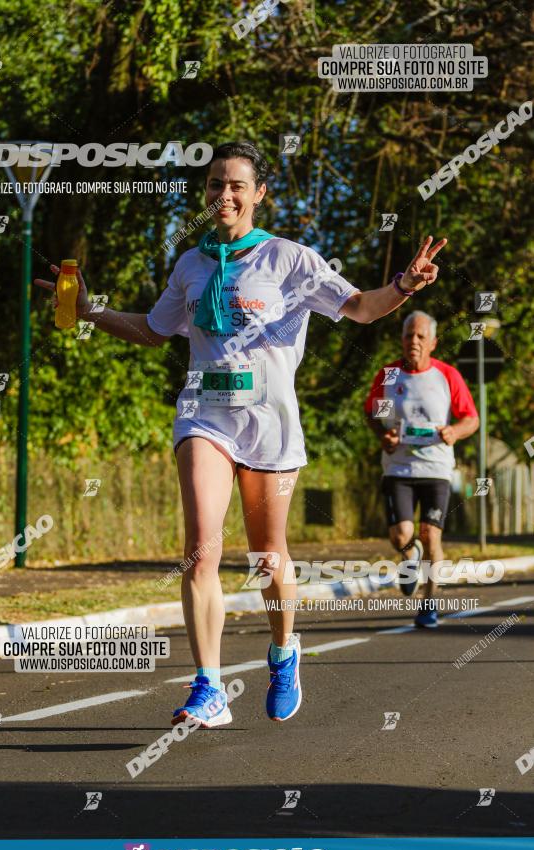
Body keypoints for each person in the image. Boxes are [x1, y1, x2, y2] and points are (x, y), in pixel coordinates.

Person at [36, 141, 446, 726]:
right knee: (201, 548)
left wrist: (403, 285)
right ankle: (208, 685)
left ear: (258, 194)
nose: (222, 195)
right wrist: (89, 312)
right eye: (212, 186)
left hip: (270, 426)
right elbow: (154, 331)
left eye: (235, 186)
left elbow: (359, 307)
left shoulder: (290, 259)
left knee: (266, 557)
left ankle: (283, 652)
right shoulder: (190, 265)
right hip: (204, 416)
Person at [364, 311, 479, 628]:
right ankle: (409, 557)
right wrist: (383, 434)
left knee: (431, 535)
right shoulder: (388, 375)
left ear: (433, 342)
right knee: (402, 535)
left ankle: (429, 603)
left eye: (420, 336)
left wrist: (455, 431)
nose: (413, 342)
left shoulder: (447, 376)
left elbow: (471, 418)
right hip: (398, 467)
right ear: (401, 340)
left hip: (437, 467)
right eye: (408, 336)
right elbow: (375, 414)